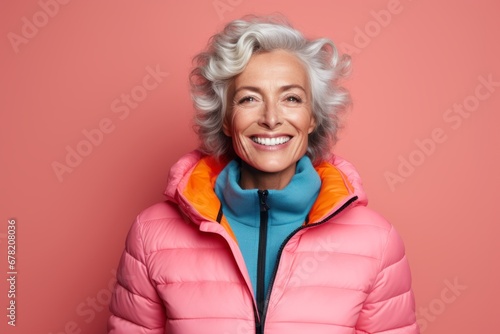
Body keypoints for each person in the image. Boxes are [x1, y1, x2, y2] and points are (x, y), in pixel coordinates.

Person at [108, 15, 419, 334]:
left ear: (312, 117)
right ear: (226, 119)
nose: (271, 118)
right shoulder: (151, 235)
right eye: (249, 99)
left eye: (291, 98)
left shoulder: (377, 242)